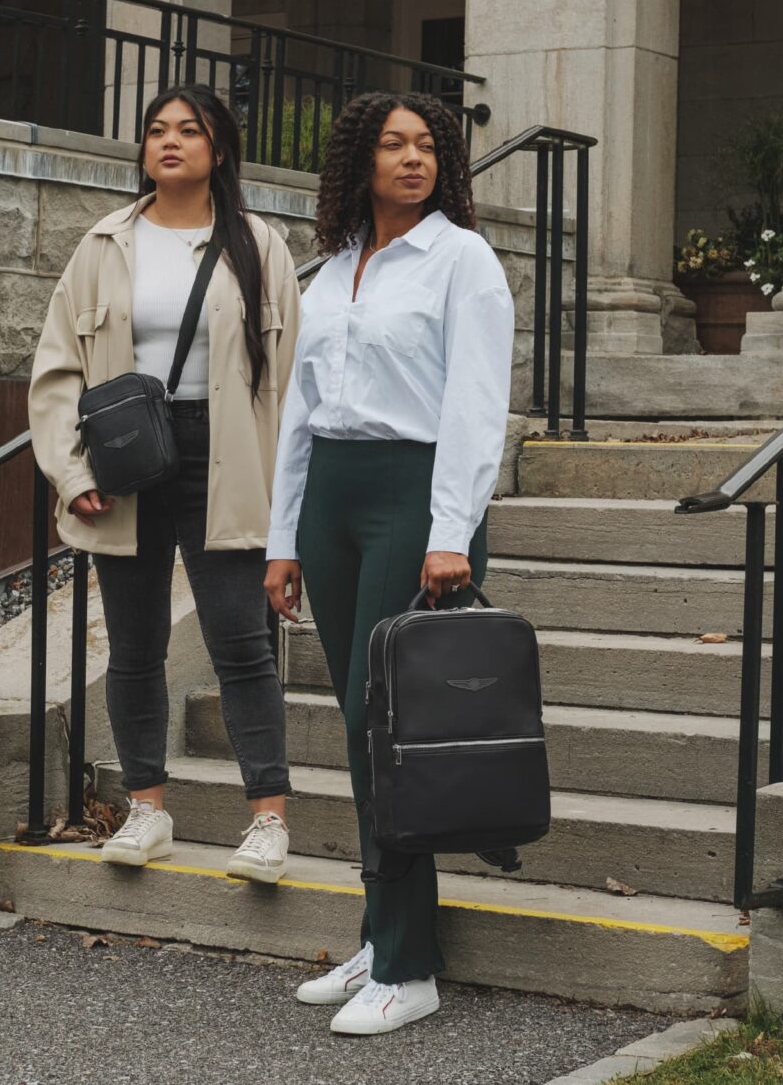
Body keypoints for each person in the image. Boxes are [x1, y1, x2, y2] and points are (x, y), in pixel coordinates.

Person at [263, 91, 515, 1036]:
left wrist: (451, 527)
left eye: (425, 147)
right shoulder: (330, 271)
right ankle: (383, 933)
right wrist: (283, 537)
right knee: (360, 723)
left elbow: (475, 405)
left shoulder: (462, 260)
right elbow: (299, 411)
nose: (411, 160)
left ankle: (410, 969)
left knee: (392, 731)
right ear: (358, 162)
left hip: (416, 499)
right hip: (332, 495)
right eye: (391, 145)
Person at [27, 83, 302, 884]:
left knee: (241, 644)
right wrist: (72, 471)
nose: (170, 142)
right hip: (127, 458)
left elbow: (291, 380)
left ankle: (268, 821)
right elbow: (54, 370)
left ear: (220, 149)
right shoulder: (103, 244)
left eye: (190, 130)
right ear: (142, 149)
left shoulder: (258, 244)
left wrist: (292, 502)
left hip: (229, 454)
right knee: (136, 646)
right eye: (157, 131)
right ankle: (147, 807)